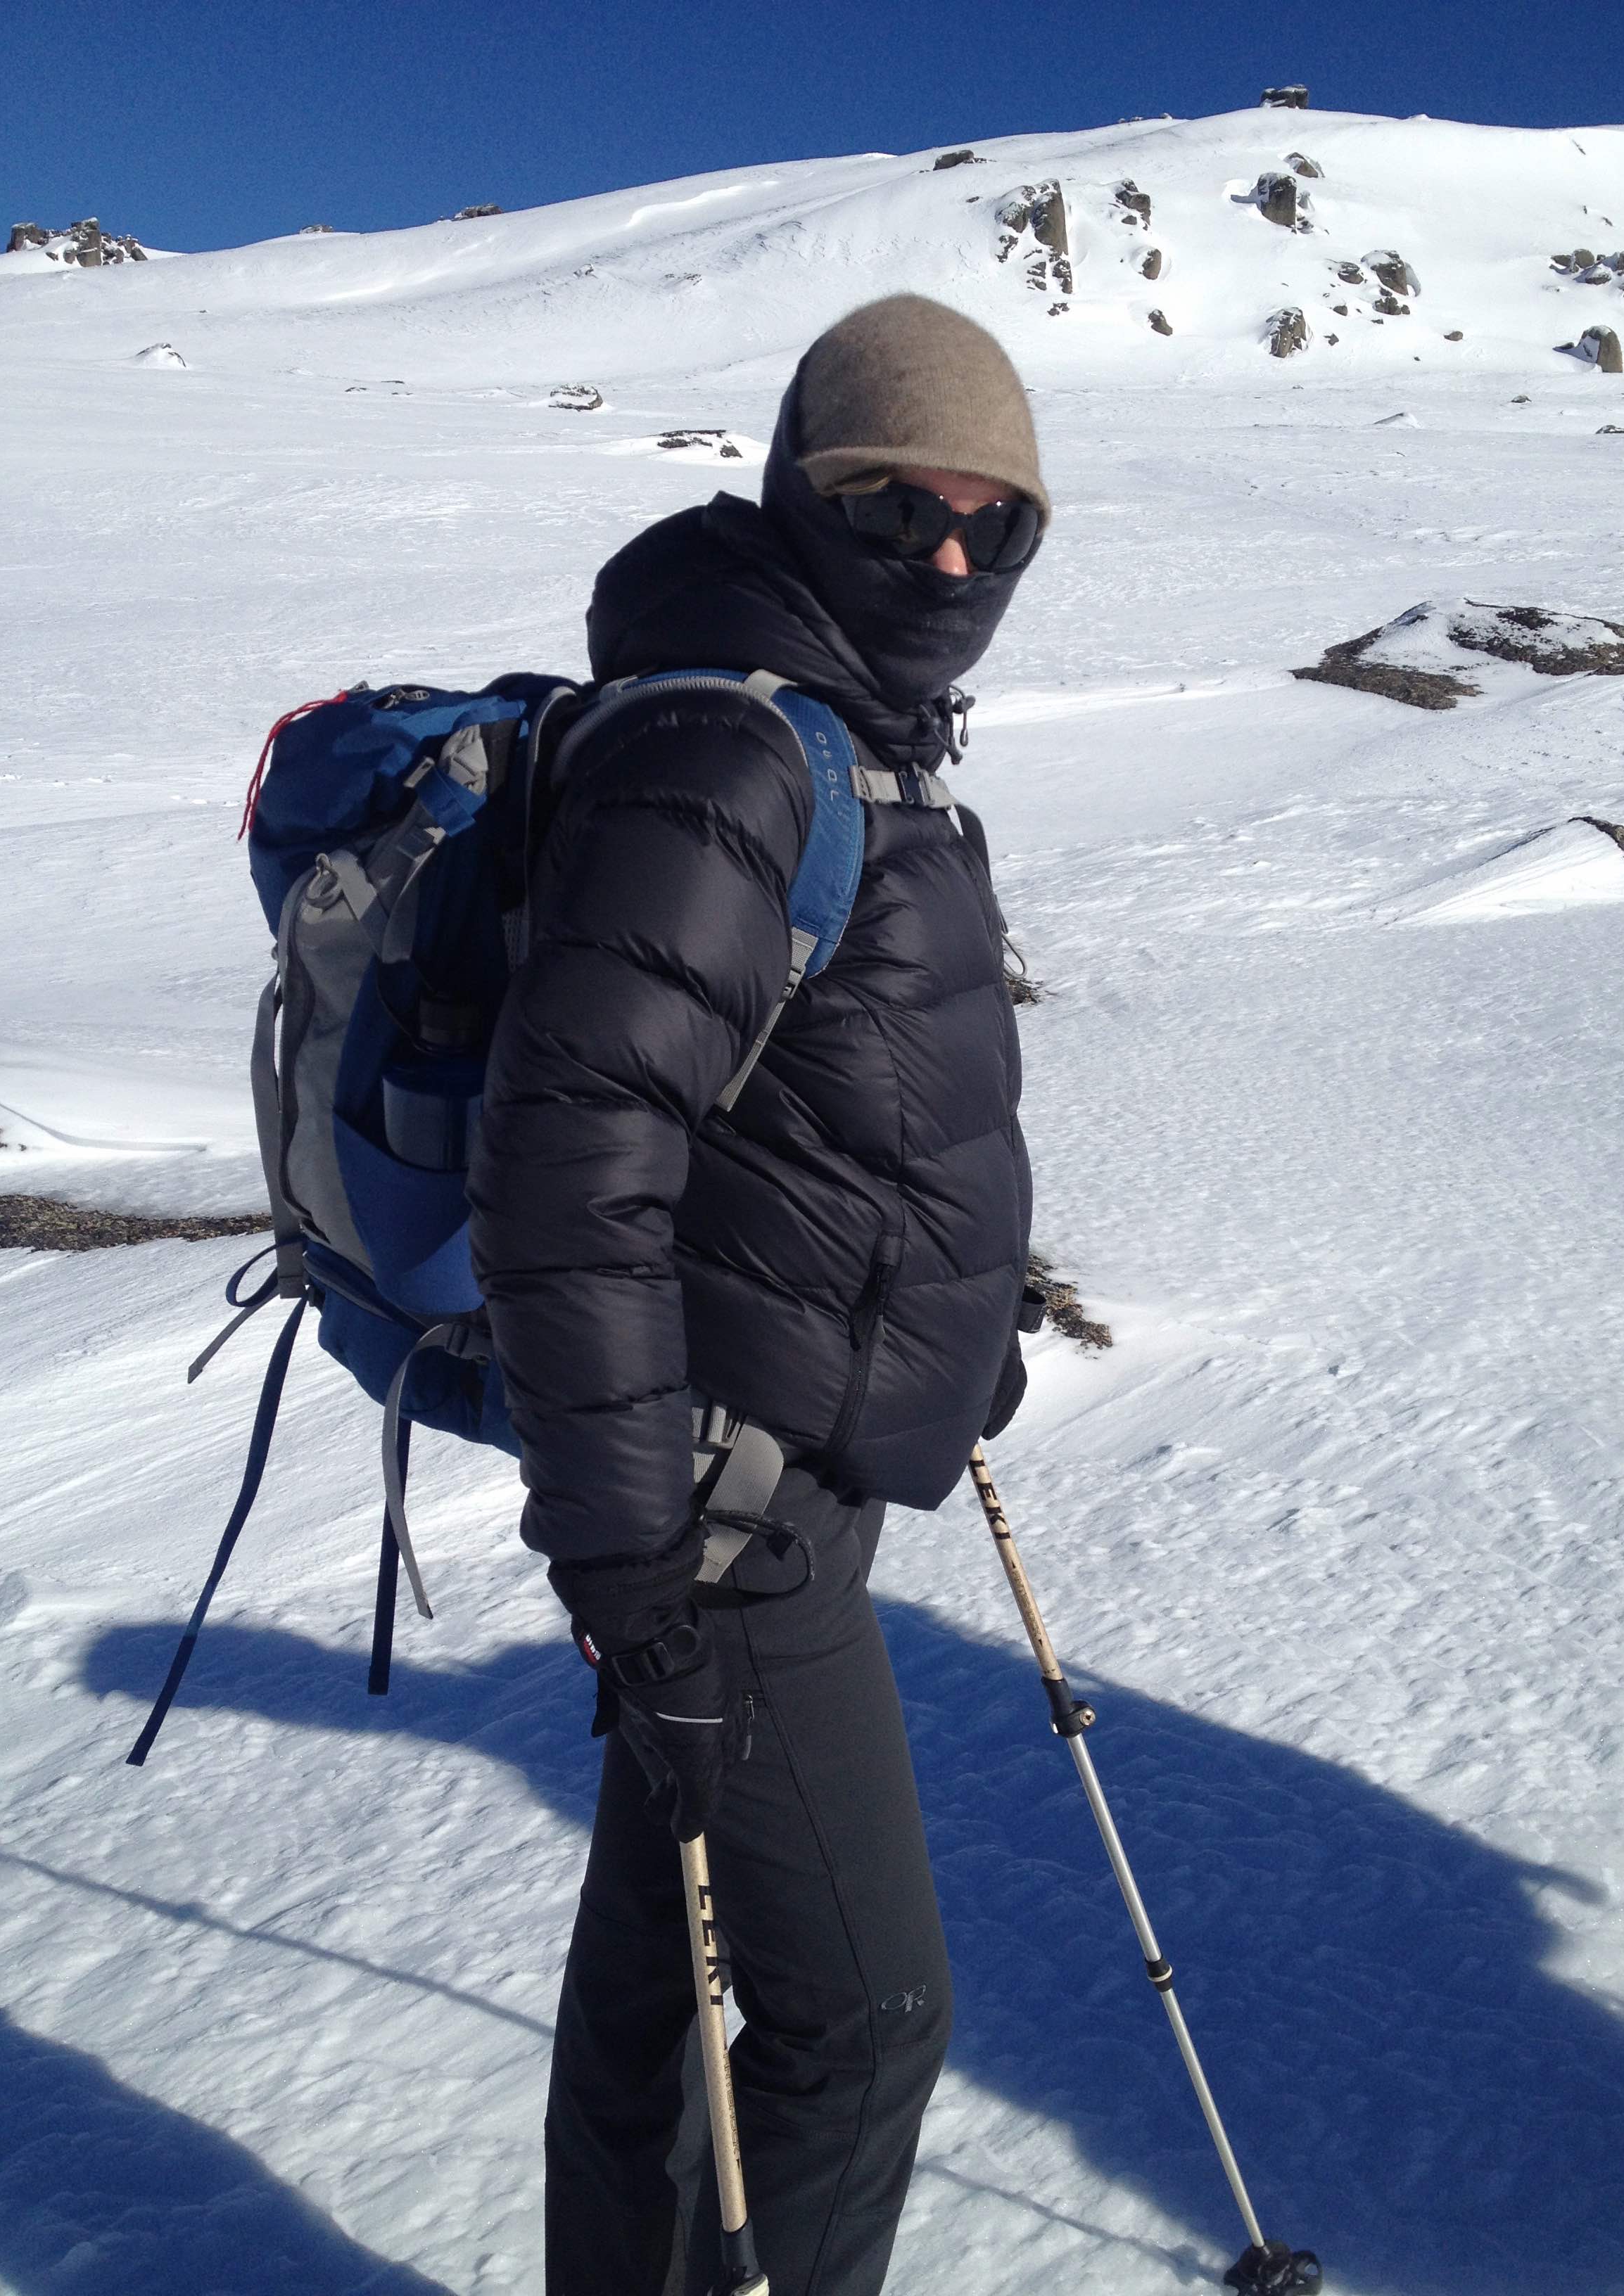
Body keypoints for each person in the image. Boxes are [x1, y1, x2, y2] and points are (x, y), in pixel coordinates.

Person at [467, 291, 1048, 2296]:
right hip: (716, 1519)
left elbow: (831, 1122)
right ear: (807, 495)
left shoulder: (852, 735)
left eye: (998, 522)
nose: (952, 561)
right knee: (864, 2025)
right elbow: (570, 1170)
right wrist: (632, 1568)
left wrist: (949, 1341)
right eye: (901, 510)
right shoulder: (740, 744)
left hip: (765, 1472)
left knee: (654, 1978)